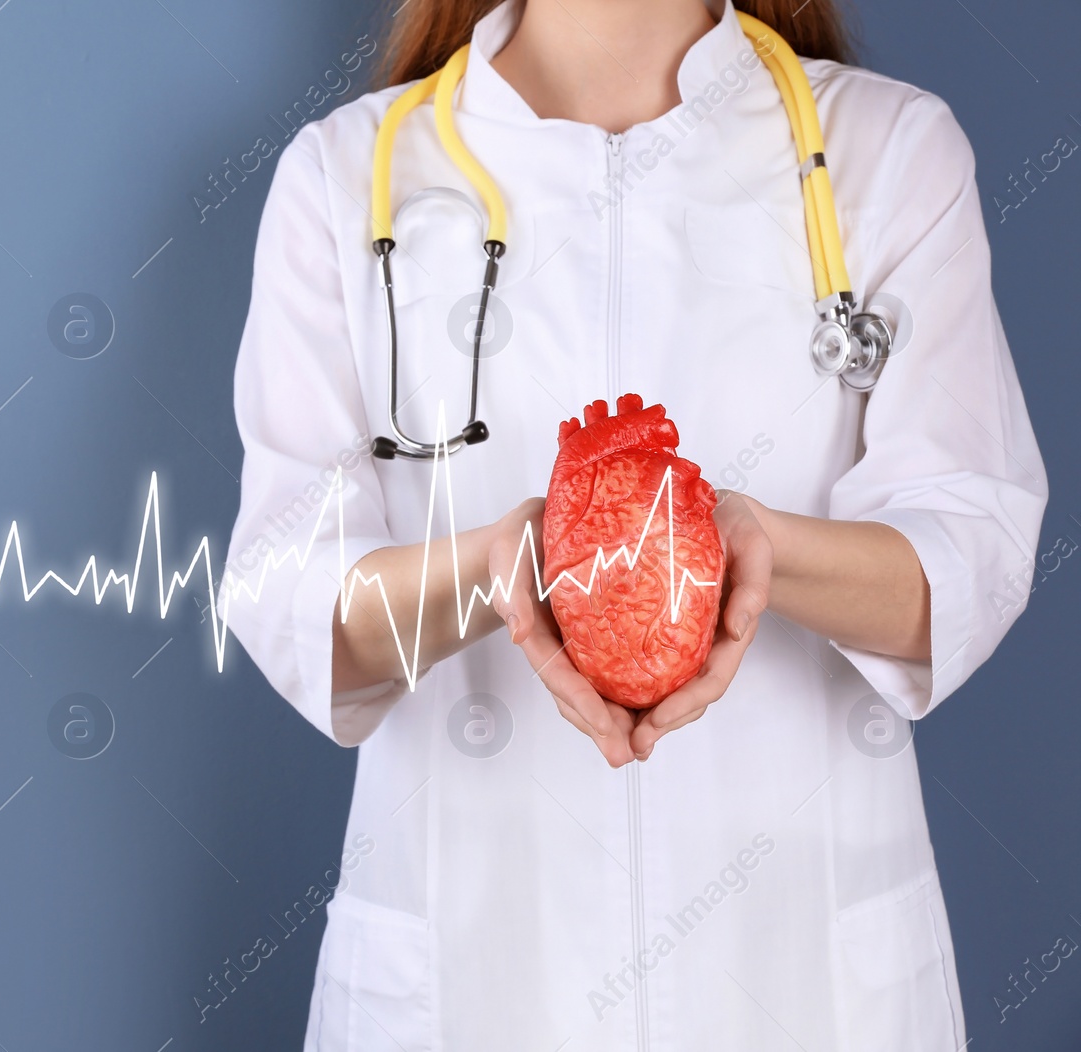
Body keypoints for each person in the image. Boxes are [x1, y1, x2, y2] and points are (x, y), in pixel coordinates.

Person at [221, 0, 1048, 1047]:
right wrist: (510, 567)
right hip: (476, 973)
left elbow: (969, 550)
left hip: (796, 972)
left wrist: (755, 550)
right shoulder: (346, 174)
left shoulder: (885, 153)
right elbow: (293, 596)